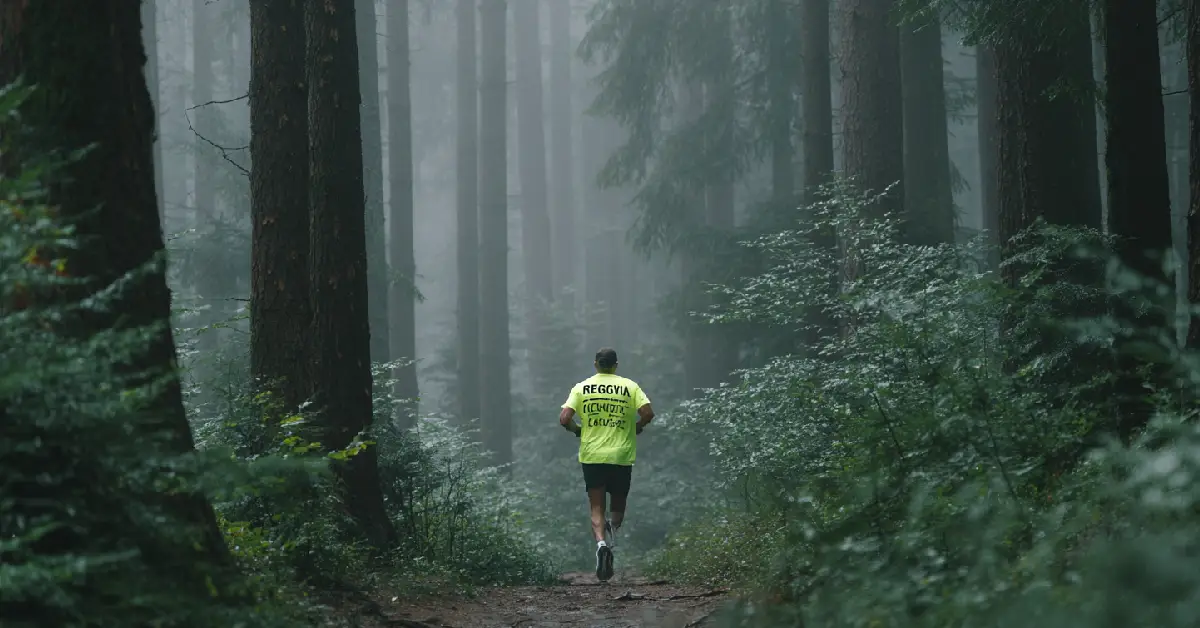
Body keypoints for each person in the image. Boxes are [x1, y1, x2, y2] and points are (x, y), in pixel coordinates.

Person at [559, 347, 654, 582]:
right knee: (618, 504)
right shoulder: (630, 386)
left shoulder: (581, 388)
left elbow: (564, 418)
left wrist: (578, 430)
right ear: (615, 365)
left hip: (592, 455)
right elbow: (648, 413)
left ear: (595, 364)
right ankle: (612, 536)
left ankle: (601, 544)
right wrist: (637, 426)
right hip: (621, 455)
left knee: (596, 506)